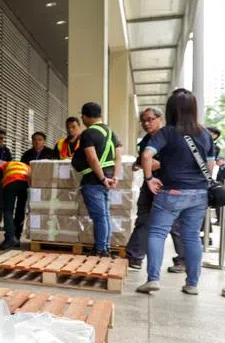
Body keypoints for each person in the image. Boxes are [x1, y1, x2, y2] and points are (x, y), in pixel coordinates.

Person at [137, 89, 215, 295]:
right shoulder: (205, 134)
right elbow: (210, 165)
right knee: (192, 237)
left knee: (157, 233)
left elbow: (146, 155)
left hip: (171, 192)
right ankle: (192, 284)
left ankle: (153, 279)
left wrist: (149, 179)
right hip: (198, 193)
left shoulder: (166, 132)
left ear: (170, 109)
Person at [124, 108, 187, 272]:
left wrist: (151, 164)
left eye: (150, 119)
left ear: (160, 119)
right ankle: (134, 257)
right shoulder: (146, 139)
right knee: (143, 218)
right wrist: (138, 164)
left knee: (174, 223)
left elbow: (171, 162)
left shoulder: (170, 137)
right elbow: (143, 159)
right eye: (143, 121)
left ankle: (184, 259)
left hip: (168, 184)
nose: (146, 123)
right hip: (149, 182)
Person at [70, 102, 121, 257]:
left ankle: (100, 249)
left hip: (93, 181)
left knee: (99, 217)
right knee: (104, 215)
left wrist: (102, 178)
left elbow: (92, 159)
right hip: (107, 179)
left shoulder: (88, 133)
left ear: (85, 116)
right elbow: (118, 157)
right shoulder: (111, 133)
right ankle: (104, 247)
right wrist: (115, 176)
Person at [0, 158, 32, 250]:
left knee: (8, 210)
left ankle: (10, 237)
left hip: (11, 183)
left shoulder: (5, 165)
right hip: (24, 184)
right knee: (20, 210)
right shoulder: (26, 166)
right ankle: (16, 237)